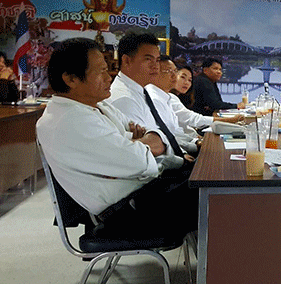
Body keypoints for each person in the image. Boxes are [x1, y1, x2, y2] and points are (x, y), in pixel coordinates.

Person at [36, 38, 196, 236]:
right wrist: (135, 143)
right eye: (101, 72)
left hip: (146, 191)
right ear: (71, 79)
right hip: (128, 211)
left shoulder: (98, 106)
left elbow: (149, 138)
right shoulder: (69, 120)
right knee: (216, 193)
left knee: (208, 179)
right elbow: (139, 160)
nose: (108, 78)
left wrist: (133, 143)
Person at [107, 32, 187, 169]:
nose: (156, 66)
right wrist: (180, 160)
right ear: (126, 60)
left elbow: (158, 136)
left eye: (157, 60)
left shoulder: (141, 91)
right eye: (148, 59)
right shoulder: (124, 99)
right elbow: (144, 152)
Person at [145, 56, 203, 155]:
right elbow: (166, 136)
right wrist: (193, 146)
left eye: (175, 71)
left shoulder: (167, 97)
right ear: (154, 73)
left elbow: (176, 131)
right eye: (168, 71)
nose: (174, 76)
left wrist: (195, 141)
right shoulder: (154, 99)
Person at [169, 64, 243, 135]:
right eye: (182, 77)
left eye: (189, 80)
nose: (186, 82)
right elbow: (214, 105)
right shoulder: (170, 99)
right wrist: (231, 119)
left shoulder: (179, 97)